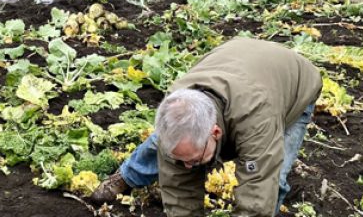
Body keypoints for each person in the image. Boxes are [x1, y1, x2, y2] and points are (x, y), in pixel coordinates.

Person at [91, 37, 323, 217]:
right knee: (169, 146)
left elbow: (257, 193)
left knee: (274, 177)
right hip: (233, 59)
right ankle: (126, 176)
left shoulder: (257, 122)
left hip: (294, 88)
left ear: (215, 132)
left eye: (193, 160)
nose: (187, 167)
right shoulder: (177, 105)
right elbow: (180, 191)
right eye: (183, 162)